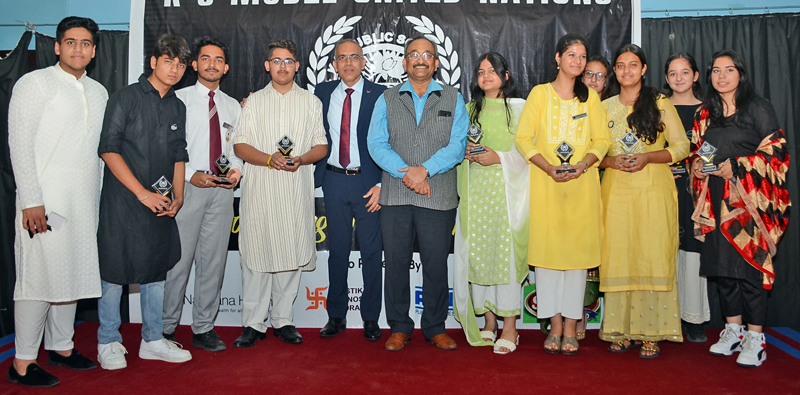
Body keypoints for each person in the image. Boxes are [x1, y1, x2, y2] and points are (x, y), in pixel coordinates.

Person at [6, 16, 106, 387]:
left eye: (85, 43)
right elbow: (19, 144)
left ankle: (62, 348)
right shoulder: (34, 83)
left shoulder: (98, 92)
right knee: (38, 278)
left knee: (72, 275)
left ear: (94, 51)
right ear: (57, 46)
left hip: (82, 204)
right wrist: (31, 199)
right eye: (70, 42)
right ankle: (22, 362)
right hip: (44, 204)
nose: (78, 49)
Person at [95, 34, 193, 370]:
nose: (174, 69)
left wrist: (178, 196)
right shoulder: (125, 97)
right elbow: (108, 149)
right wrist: (142, 193)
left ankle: (152, 339)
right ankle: (107, 340)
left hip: (162, 204)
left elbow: (180, 154)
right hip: (124, 201)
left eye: (180, 64)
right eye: (168, 61)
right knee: (113, 271)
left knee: (156, 269)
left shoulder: (178, 105)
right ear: (153, 61)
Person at [367, 35, 467, 351]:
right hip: (396, 194)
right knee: (396, 263)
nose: (420, 59)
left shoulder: (453, 98)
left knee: (436, 263)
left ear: (436, 63)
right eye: (414, 54)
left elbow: (457, 145)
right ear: (405, 62)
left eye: (427, 54)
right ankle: (399, 326)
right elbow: (376, 144)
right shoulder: (387, 98)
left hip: (438, 194)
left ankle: (435, 326)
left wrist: (424, 170)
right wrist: (408, 173)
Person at [691, 50, 789, 368]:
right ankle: (732, 330)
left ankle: (755, 337)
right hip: (715, 201)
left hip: (749, 203)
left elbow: (777, 155)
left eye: (728, 69)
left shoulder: (758, 108)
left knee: (749, 271)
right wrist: (699, 165)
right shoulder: (706, 113)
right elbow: (703, 150)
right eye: (716, 70)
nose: (721, 76)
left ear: (740, 73)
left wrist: (737, 166)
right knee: (722, 270)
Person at [515, 33, 610, 356]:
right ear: (557, 58)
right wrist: (546, 167)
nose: (578, 61)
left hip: (581, 188)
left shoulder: (591, 99)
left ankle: (571, 327)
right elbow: (524, 139)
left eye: (583, 56)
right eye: (571, 54)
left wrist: (584, 164)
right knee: (548, 263)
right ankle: (553, 327)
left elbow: (602, 141)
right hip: (547, 187)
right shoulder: (539, 95)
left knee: (576, 264)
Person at [232, 39, 328, 347]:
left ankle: (284, 320)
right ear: (267, 65)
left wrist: (302, 158)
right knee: (257, 254)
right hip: (260, 188)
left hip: (296, 188)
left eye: (288, 61)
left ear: (297, 66)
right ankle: (253, 323)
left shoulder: (311, 102)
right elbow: (240, 144)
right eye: (277, 60)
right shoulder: (253, 102)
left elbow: (321, 145)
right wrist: (268, 159)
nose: (283, 66)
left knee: (290, 253)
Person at [598, 44, 689, 359]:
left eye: (633, 65)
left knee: (650, 254)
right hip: (616, 193)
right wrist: (610, 163)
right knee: (620, 255)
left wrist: (648, 157)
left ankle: (652, 332)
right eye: (620, 66)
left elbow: (681, 147)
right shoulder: (604, 107)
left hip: (653, 190)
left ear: (644, 69)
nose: (626, 71)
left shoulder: (659, 103)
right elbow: (592, 154)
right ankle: (620, 330)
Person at [162, 37, 242, 352]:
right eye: (205, 58)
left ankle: (204, 328)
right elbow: (167, 150)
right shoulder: (176, 100)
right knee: (177, 263)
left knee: (213, 263)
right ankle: (166, 328)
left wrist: (237, 171)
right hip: (186, 189)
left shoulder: (232, 105)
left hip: (221, 194)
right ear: (194, 64)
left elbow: (235, 150)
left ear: (225, 67)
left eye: (218, 59)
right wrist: (191, 174)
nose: (212, 64)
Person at [452, 52, 528, 354]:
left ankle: (510, 327)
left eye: (492, 71)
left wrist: (498, 157)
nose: (486, 76)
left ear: (506, 76)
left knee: (505, 258)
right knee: (479, 258)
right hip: (475, 194)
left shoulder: (521, 109)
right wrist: (465, 154)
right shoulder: (468, 109)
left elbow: (532, 153)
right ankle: (489, 321)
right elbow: (454, 150)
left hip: (508, 195)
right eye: (481, 71)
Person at [313, 39, 386, 341]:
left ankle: (370, 318)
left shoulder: (381, 95)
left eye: (354, 57)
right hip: (333, 179)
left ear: (364, 61)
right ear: (333, 64)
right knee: (337, 252)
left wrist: (383, 182)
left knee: (371, 252)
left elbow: (390, 140)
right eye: (341, 58)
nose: (348, 63)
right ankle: (336, 315)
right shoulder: (320, 93)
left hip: (368, 182)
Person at [663, 52, 710, 343]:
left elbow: (715, 144)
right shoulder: (658, 107)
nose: (678, 78)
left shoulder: (708, 109)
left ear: (695, 76)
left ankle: (693, 318)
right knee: (665, 248)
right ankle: (665, 316)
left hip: (697, 189)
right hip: (662, 185)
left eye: (684, 72)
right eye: (672, 73)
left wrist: (700, 166)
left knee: (693, 251)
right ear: (666, 78)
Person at [575, 54, 613, 340]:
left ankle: (610, 317)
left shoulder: (614, 109)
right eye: (589, 74)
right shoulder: (569, 105)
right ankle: (576, 314)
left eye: (600, 76)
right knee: (580, 252)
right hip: (578, 185)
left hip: (611, 187)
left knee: (609, 252)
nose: (593, 80)